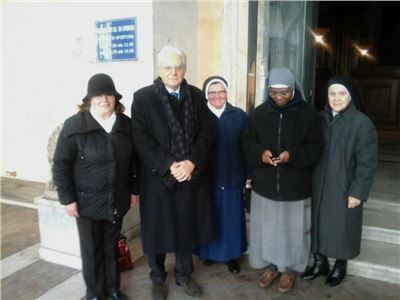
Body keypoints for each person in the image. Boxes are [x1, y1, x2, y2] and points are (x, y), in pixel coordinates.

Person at [131, 46, 214, 300]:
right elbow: (141, 139)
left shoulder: (197, 96)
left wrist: (191, 163)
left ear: (185, 69)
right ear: (159, 70)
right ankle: (157, 277)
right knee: (157, 228)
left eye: (178, 67)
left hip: (190, 175)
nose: (174, 72)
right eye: (168, 67)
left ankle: (184, 275)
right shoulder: (143, 98)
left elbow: (206, 134)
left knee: (185, 227)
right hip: (157, 178)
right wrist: (169, 164)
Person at [52, 73, 139, 300]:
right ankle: (94, 293)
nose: (104, 99)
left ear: (115, 98)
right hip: (85, 202)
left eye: (108, 94)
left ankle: (112, 290)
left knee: (110, 246)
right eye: (98, 95)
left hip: (116, 199)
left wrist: (134, 190)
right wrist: (67, 199)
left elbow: (135, 162)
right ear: (89, 99)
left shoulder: (126, 125)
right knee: (92, 251)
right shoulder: (74, 125)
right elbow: (61, 165)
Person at [242, 67, 324, 293]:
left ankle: (288, 270)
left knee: (291, 231)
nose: (279, 98)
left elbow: (316, 148)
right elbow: (247, 142)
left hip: (294, 186)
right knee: (268, 230)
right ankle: (271, 266)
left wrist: (292, 156)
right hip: (265, 185)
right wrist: (261, 154)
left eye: (284, 93)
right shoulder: (258, 114)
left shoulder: (309, 115)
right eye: (274, 93)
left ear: (293, 90)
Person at [301, 77, 378, 286]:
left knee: (342, 226)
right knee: (317, 222)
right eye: (332, 93)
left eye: (341, 93)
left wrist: (358, 192)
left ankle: (340, 266)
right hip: (318, 183)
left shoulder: (362, 124)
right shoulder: (318, 118)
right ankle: (320, 262)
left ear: (350, 96)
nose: (336, 98)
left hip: (345, 186)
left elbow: (367, 163)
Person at [198, 76, 248, 274]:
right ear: (206, 95)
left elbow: (247, 148)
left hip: (231, 175)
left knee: (230, 219)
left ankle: (231, 256)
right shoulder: (199, 116)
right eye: (212, 92)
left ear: (227, 93)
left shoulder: (239, 116)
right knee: (209, 217)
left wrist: (248, 174)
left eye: (221, 91)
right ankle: (208, 253)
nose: (217, 96)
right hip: (205, 178)